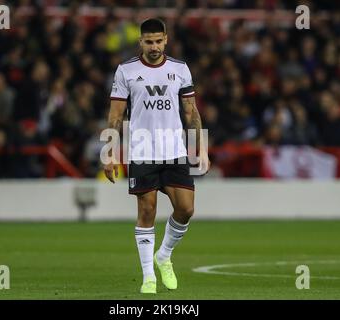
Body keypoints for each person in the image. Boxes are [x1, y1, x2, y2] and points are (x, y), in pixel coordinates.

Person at [104, 18, 210, 294]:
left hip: (174, 149)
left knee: (186, 209)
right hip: (142, 150)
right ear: (140, 41)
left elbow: (191, 112)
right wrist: (109, 153)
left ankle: (163, 256)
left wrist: (202, 148)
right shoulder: (126, 71)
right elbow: (115, 116)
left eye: (158, 41)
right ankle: (148, 276)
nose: (154, 46)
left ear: (166, 40)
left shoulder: (180, 69)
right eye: (148, 41)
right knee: (147, 211)